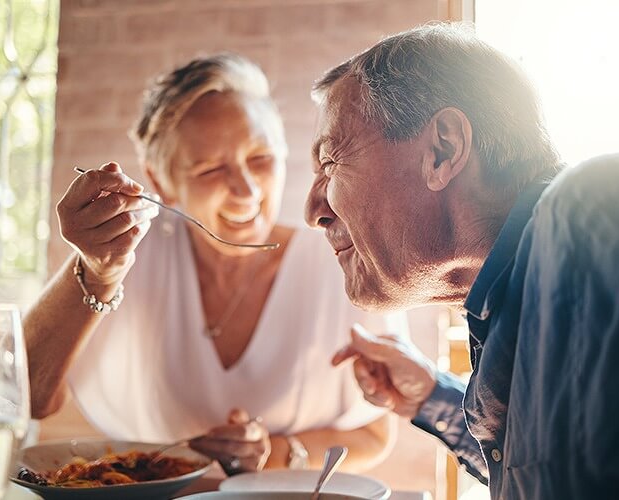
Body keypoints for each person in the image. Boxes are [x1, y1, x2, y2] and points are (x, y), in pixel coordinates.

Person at [304, 23, 619, 499]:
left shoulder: (595, 221)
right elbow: (554, 464)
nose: (314, 210)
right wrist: (431, 397)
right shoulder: (518, 301)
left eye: (331, 162)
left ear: (443, 149)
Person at [24, 54, 408, 473]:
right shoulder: (122, 254)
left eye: (260, 159)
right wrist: (96, 272)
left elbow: (374, 435)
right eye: (210, 169)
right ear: (160, 182)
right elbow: (33, 396)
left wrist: (273, 454)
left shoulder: (344, 261)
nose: (246, 189)